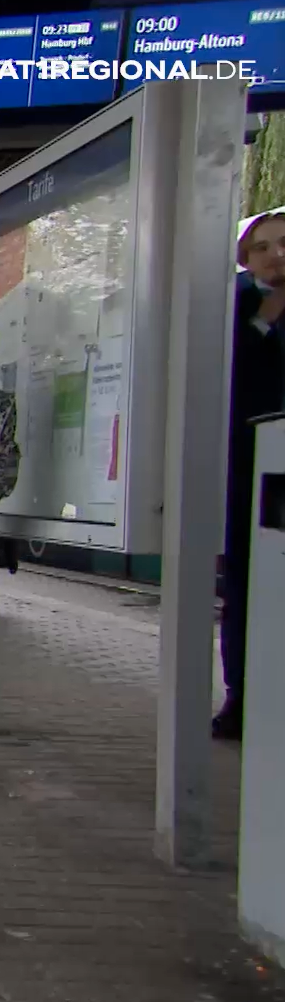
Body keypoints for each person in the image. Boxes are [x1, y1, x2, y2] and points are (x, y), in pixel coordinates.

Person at [215, 213, 285, 741]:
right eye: (262, 248)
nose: (274, 255)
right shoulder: (230, 308)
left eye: (283, 244)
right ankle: (241, 695)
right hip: (247, 468)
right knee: (244, 587)